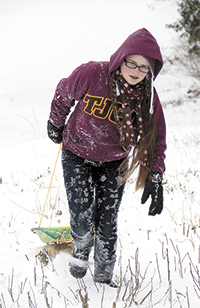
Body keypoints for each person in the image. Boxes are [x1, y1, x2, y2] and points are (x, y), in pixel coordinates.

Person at [47, 28, 166, 287]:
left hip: (115, 162)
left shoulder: (147, 99)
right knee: (81, 216)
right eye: (131, 62)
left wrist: (155, 174)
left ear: (151, 71)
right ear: (120, 58)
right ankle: (81, 249)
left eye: (144, 67)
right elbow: (64, 91)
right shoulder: (93, 74)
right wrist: (56, 123)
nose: (136, 70)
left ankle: (103, 280)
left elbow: (155, 137)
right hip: (77, 154)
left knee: (108, 224)